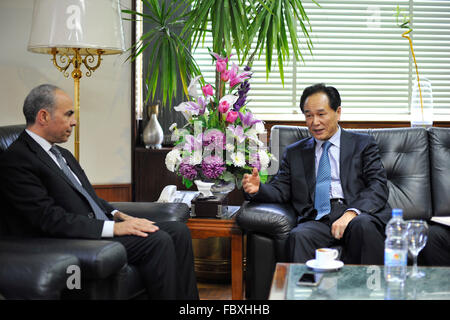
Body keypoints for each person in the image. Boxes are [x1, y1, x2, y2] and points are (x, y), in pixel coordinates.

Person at [0, 84, 198, 299]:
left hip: (95, 226)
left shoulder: (61, 154)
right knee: (157, 241)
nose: (74, 121)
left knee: (178, 232)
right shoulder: (17, 159)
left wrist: (116, 214)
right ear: (43, 116)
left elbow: (86, 196)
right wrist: (113, 228)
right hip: (70, 239)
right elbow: (48, 219)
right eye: (68, 114)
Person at [243, 83, 391, 265]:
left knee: (363, 226)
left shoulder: (363, 144)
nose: (315, 122)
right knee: (299, 236)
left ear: (338, 112)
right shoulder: (295, 152)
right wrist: (257, 189)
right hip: (318, 218)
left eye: (321, 114)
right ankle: (302, 292)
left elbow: (378, 185)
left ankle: (368, 291)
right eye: (309, 116)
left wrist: (351, 213)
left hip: (356, 214)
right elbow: (281, 189)